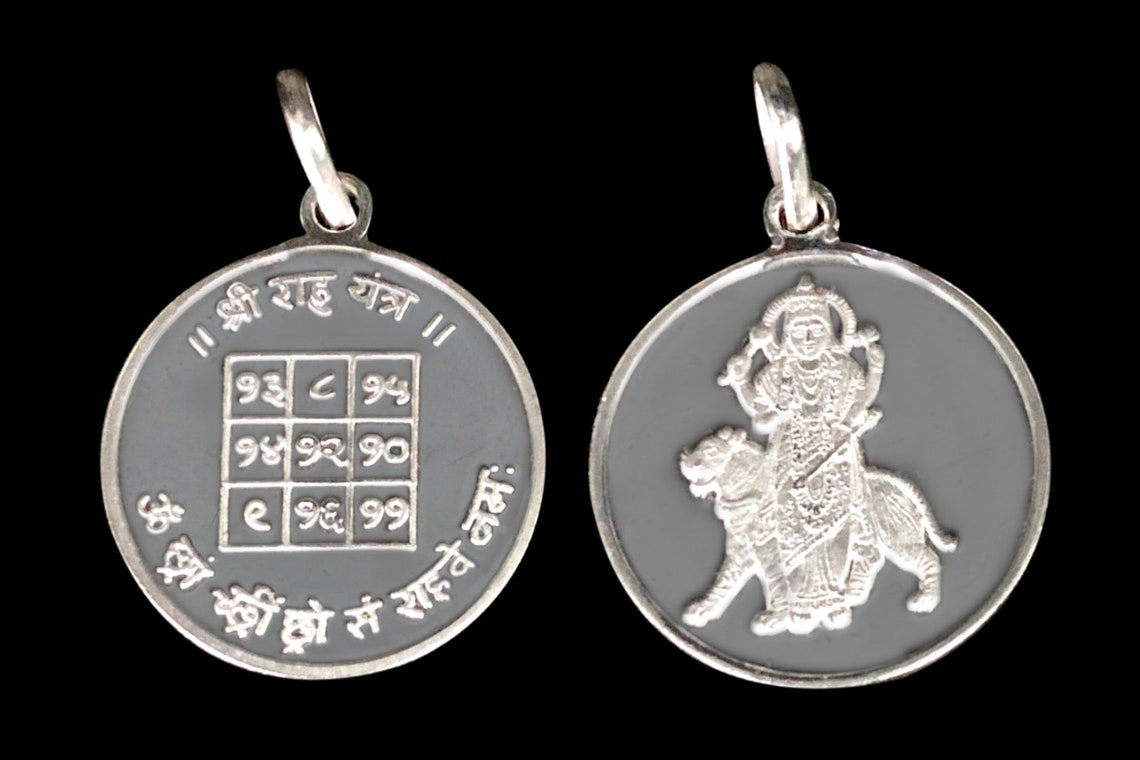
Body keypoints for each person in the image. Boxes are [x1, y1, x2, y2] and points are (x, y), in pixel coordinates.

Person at [719, 275, 883, 634]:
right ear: (785, 335)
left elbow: (862, 398)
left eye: (815, 329)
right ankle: (801, 602)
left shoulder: (842, 369)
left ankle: (835, 598)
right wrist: (742, 381)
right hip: (789, 457)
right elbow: (759, 411)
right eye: (798, 331)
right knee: (790, 521)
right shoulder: (777, 372)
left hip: (835, 454)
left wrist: (875, 366)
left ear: (829, 332)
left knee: (838, 516)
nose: (807, 338)